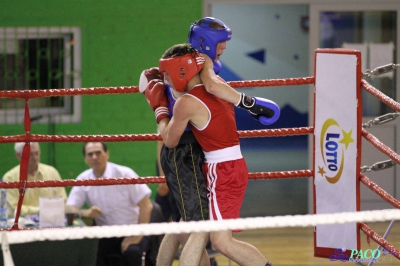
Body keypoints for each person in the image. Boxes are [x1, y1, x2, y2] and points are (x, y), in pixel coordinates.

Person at [141, 17, 278, 266]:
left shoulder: (190, 99)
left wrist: (159, 108)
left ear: (181, 72)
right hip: (223, 166)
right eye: (221, 43)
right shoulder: (218, 84)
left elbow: (169, 140)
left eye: (168, 76)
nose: (166, 80)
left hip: (220, 170)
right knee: (190, 228)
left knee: (214, 239)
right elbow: (206, 81)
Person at [66, 142, 153, 266]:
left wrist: (136, 236)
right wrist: (84, 212)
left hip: (133, 230)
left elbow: (147, 206)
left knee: (131, 253)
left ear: (107, 154)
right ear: (85, 159)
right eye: (90, 154)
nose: (95, 157)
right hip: (105, 234)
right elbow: (70, 207)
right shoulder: (83, 179)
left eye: (98, 153)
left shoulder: (125, 174)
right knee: (88, 254)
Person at [2, 142, 67, 217]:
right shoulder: (10, 178)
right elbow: (15, 208)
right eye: (30, 154)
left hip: (51, 222)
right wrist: (43, 210)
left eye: (37, 153)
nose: (35, 158)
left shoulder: (52, 172)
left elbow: (63, 201)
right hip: (21, 225)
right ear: (18, 155)